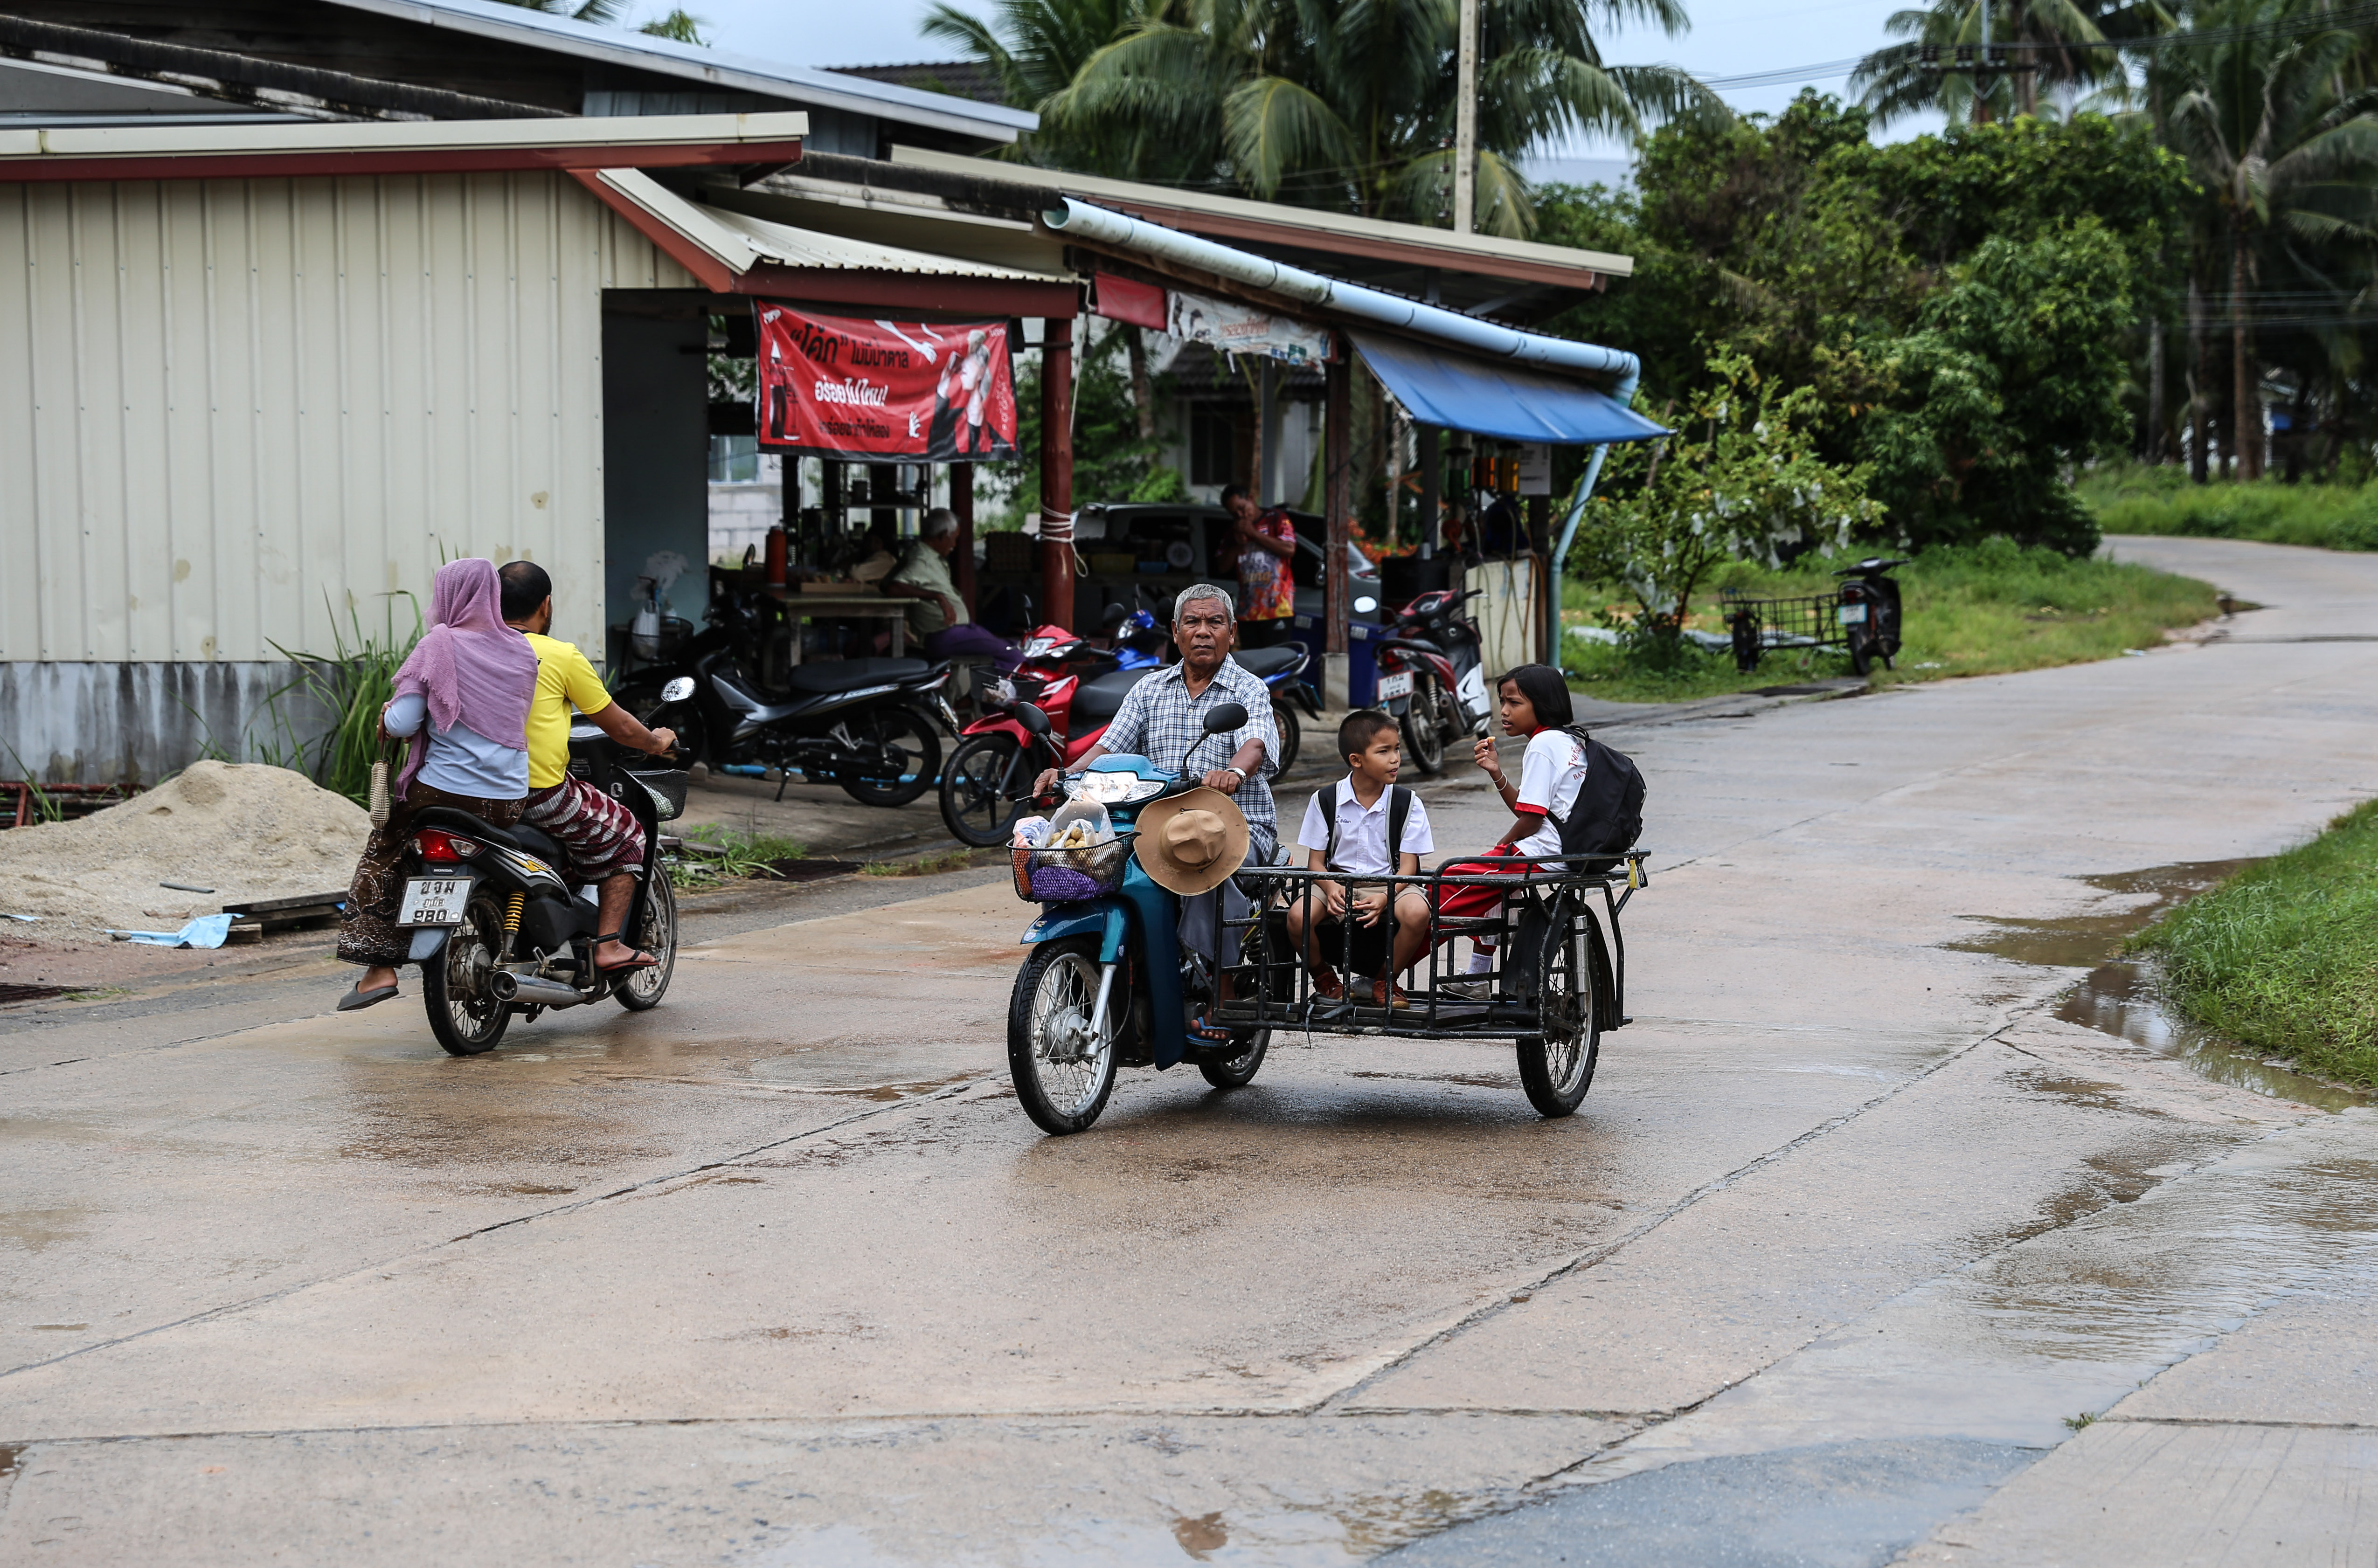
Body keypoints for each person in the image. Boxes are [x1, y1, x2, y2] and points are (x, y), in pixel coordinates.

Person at [336, 558, 538, 1011]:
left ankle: (379, 969)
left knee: (384, 853)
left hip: (445, 795)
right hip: (508, 799)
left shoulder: (440, 644)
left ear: (448, 596)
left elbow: (405, 721)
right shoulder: (523, 650)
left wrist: (385, 716)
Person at [498, 561, 680, 974]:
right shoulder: (559, 655)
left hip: (464, 792)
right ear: (546, 605)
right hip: (535, 794)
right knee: (628, 833)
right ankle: (608, 944)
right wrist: (657, 741)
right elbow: (619, 726)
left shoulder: (466, 648)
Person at [1035, 582, 1279, 864]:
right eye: (1192, 622)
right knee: (1085, 860)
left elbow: (1255, 744)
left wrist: (1233, 773)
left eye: (1215, 623)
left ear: (1232, 632)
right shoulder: (1149, 688)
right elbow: (1109, 747)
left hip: (1236, 823)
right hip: (1156, 824)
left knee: (1199, 868)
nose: (1203, 632)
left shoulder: (1249, 688)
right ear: (1176, 632)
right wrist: (1068, 775)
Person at [1432, 664, 1588, 1000]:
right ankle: (1475, 976)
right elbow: (1531, 810)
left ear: (1542, 704)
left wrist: (1501, 845)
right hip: (1564, 849)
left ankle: (1386, 967)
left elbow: (1530, 821)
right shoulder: (1569, 740)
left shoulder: (1543, 744)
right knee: (1497, 890)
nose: (1503, 711)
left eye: (1514, 702)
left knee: (1445, 888)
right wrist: (1496, 772)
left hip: (1544, 850)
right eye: (1502, 701)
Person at [1283, 710, 1435, 1009]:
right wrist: (1329, 888)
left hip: (1395, 883)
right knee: (1297, 918)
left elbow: (1408, 869)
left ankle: (1385, 980)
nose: (1395, 759)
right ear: (1356, 760)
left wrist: (1385, 896)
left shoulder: (1408, 802)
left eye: (1397, 749)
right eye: (1384, 751)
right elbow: (1316, 863)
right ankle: (1324, 977)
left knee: (1418, 913)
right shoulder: (1326, 799)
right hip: (1336, 881)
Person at [881, 508, 1021, 667]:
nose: (954, 545)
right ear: (941, 536)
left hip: (959, 631)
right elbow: (893, 587)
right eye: (953, 539)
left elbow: (885, 583)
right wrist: (937, 597)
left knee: (1020, 647)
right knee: (1014, 656)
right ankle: (1007, 692)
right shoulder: (922, 559)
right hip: (945, 634)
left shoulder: (927, 555)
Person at [1222, 484, 1296, 648]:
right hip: (1247, 612)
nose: (1241, 515)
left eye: (1242, 508)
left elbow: (1290, 549)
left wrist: (1253, 534)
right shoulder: (1234, 531)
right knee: (1254, 666)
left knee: (1276, 663)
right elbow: (1222, 567)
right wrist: (1236, 546)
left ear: (1250, 498)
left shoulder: (1276, 518)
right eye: (1235, 514)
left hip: (1277, 609)